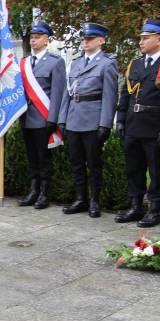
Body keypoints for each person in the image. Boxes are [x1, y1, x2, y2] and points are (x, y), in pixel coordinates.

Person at [58, 22, 118, 218]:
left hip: (93, 120)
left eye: (90, 39)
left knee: (93, 163)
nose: (86, 42)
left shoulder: (107, 64)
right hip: (74, 118)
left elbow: (110, 96)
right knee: (76, 162)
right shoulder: (76, 63)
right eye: (84, 39)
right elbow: (68, 93)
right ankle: (80, 198)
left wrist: (105, 124)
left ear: (101, 41)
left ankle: (94, 201)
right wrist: (62, 119)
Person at [115, 19, 160, 227]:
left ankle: (155, 209)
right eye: (140, 38)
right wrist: (121, 120)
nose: (141, 42)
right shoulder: (136, 64)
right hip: (134, 123)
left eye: (146, 38)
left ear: (158, 39)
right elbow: (126, 94)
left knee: (156, 169)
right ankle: (135, 206)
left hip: (154, 125)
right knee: (134, 167)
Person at [19, 20, 66, 209]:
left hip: (43, 117)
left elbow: (57, 93)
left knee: (43, 158)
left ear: (47, 40)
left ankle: (45, 193)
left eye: (37, 37)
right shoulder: (24, 63)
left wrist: (52, 118)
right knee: (31, 157)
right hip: (27, 118)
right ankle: (34, 190)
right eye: (31, 37)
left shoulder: (56, 62)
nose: (33, 41)